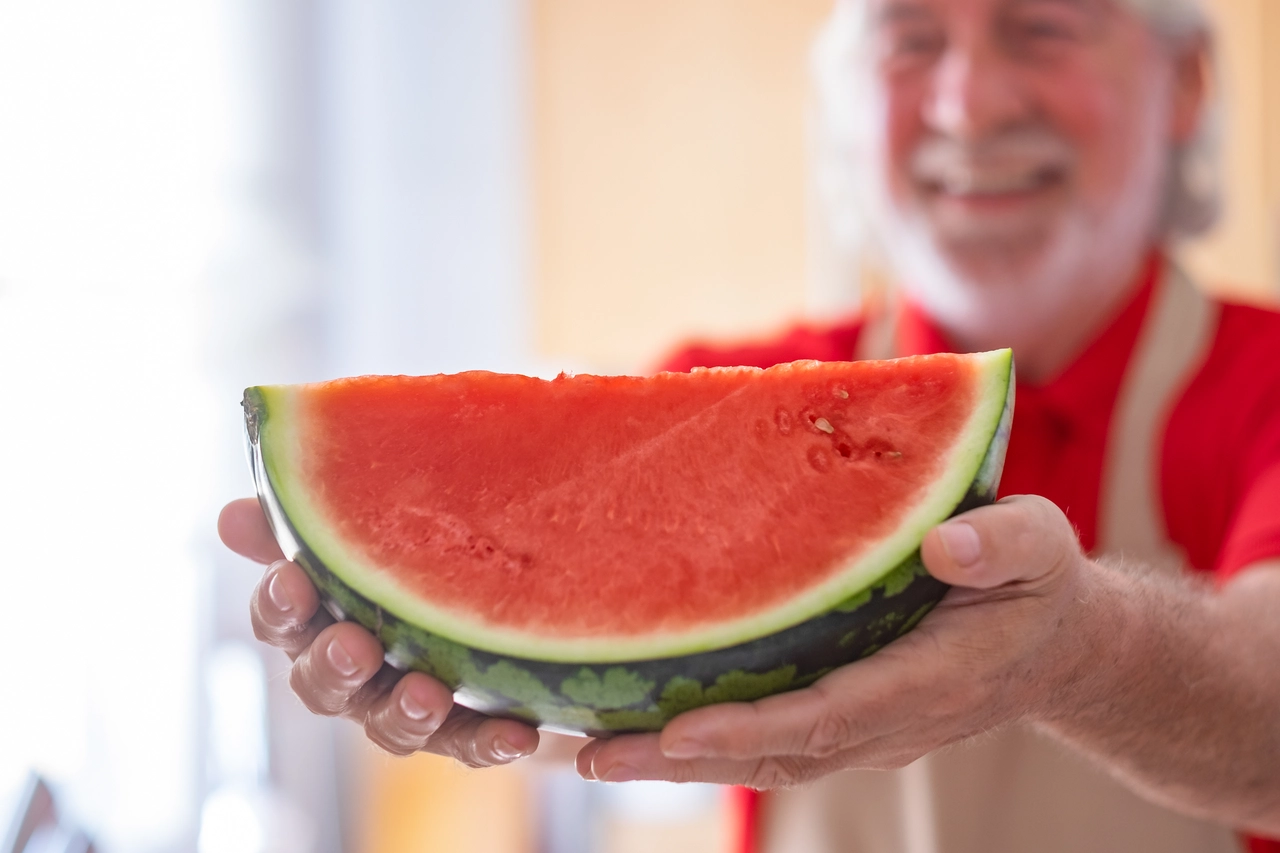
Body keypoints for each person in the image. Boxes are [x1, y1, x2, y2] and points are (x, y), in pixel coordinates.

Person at [219, 0, 1280, 850]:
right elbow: (588, 679)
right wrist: (427, 651)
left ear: (1183, 81)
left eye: (1042, 27)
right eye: (909, 39)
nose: (966, 102)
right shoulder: (710, 397)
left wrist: (1084, 651)